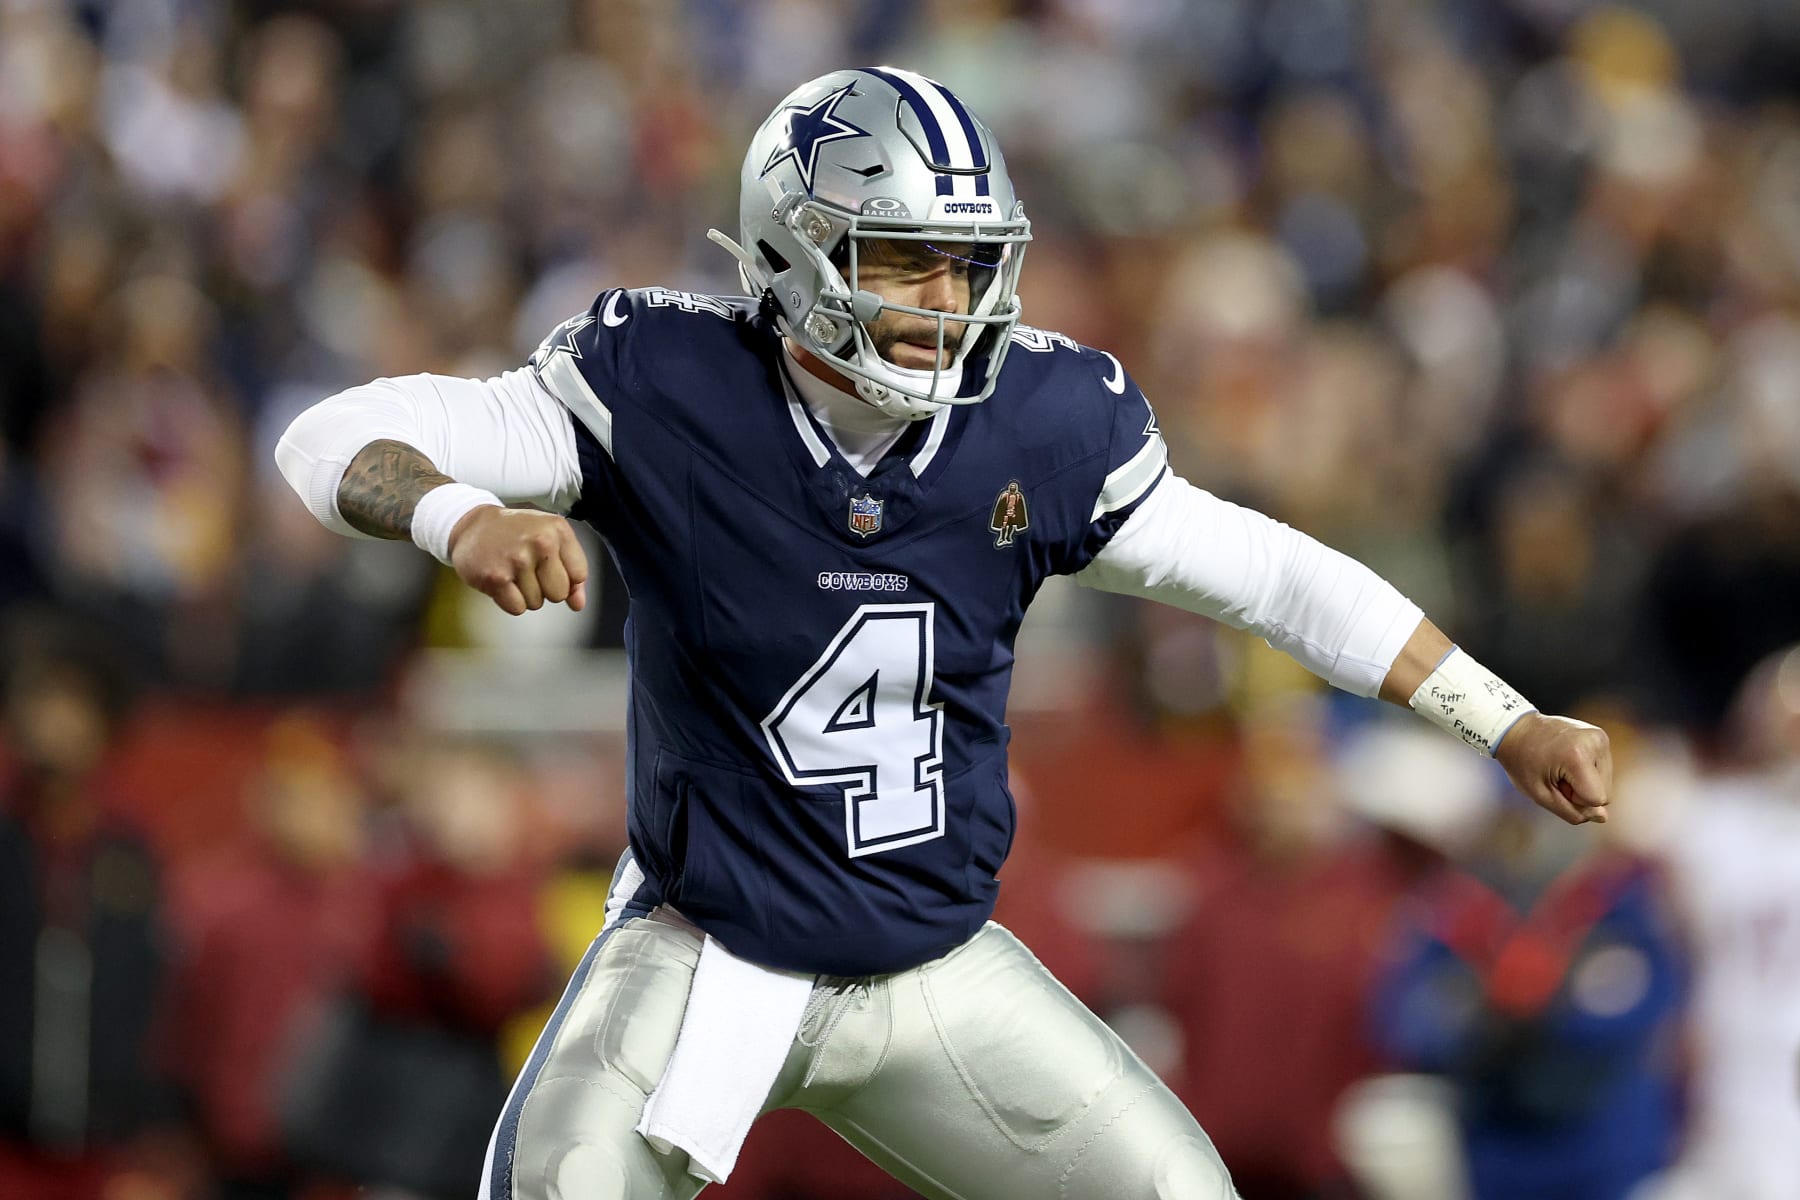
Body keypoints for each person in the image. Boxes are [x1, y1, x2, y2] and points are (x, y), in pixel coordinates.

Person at [275, 68, 1614, 1200]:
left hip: (933, 971)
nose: (949, 296)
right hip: (703, 956)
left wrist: (1501, 717)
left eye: (969, 262)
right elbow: (322, 436)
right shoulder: (665, 386)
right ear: (796, 252)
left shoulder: (1039, 419)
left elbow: (1268, 575)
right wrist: (458, 521)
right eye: (906, 257)